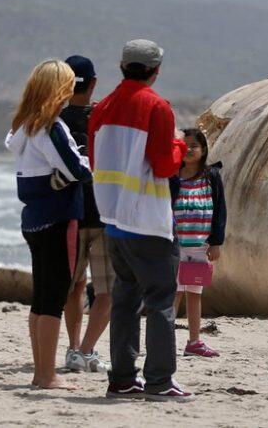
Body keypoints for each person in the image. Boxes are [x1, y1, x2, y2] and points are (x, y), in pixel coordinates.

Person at [89, 39, 193, 401]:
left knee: (125, 301)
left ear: (122, 66)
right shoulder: (157, 107)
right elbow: (165, 164)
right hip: (148, 220)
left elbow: (95, 160)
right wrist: (180, 146)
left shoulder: (101, 107)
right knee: (161, 301)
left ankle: (121, 378)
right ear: (156, 70)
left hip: (113, 219)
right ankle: (160, 381)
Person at [5, 59, 92, 391]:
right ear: (60, 88)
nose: (72, 89)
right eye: (68, 84)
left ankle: (41, 372)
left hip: (34, 220)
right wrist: (90, 164)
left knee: (42, 297)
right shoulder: (51, 127)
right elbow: (76, 170)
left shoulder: (23, 127)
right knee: (54, 297)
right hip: (58, 219)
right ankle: (46, 375)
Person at [59, 55, 114, 373]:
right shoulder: (104, 118)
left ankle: (72, 347)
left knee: (73, 286)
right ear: (93, 83)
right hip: (105, 214)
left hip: (70, 216)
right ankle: (87, 348)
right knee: (106, 290)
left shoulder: (53, 119)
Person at [171, 128, 227, 358]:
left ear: (204, 150)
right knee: (174, 293)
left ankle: (194, 341)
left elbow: (220, 211)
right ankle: (164, 339)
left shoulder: (211, 176)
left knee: (194, 293)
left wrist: (216, 243)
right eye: (186, 145)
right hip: (175, 245)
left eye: (195, 145)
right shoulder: (172, 175)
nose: (190, 149)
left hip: (200, 245)